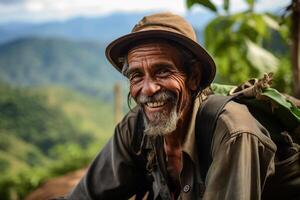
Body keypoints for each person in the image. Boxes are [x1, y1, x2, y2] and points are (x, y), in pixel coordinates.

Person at [67, 12, 277, 200]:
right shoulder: (136, 127)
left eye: (162, 71)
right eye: (136, 76)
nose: (148, 89)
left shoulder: (232, 133)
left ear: (193, 77)